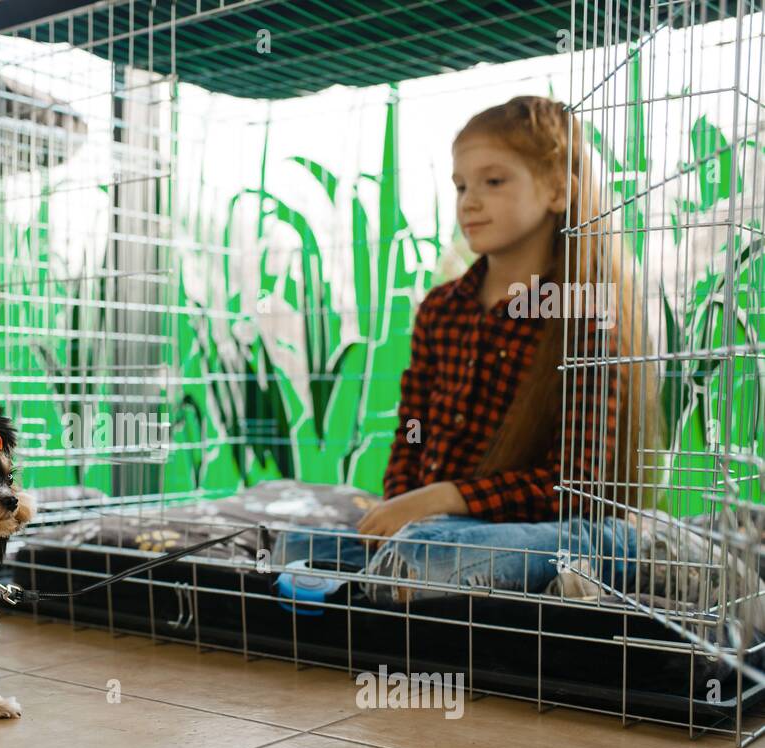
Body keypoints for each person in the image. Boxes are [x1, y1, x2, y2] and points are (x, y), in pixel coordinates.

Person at [280, 96, 665, 606]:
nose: (469, 202)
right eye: (461, 185)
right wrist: (402, 503)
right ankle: (432, 571)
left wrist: (442, 499)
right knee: (294, 541)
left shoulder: (587, 314)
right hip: (445, 527)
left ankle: (622, 555)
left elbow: (577, 486)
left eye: (494, 181)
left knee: (436, 550)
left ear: (557, 191)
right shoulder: (440, 308)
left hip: (546, 527)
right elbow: (411, 430)